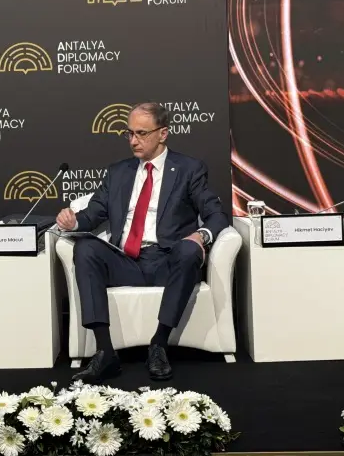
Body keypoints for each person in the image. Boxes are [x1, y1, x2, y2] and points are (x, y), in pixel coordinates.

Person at [56, 102, 229, 383]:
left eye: (142, 133)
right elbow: (93, 214)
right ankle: (105, 352)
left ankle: (159, 344)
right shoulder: (118, 172)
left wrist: (202, 235)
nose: (134, 141)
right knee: (86, 248)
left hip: (167, 262)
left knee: (189, 250)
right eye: (130, 133)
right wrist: (72, 221)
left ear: (163, 134)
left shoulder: (189, 169)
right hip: (126, 261)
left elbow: (216, 215)